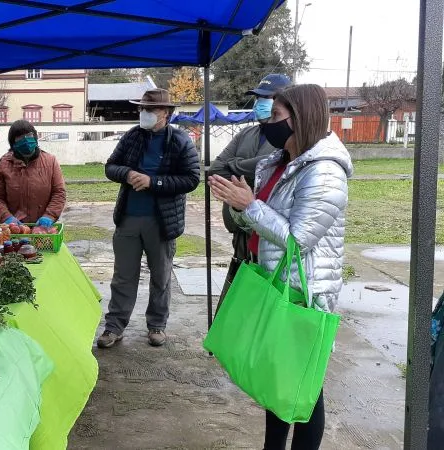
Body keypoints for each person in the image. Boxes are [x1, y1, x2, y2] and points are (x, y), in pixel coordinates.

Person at [209, 84, 352, 450]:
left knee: (303, 387)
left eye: (276, 116)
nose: (269, 124)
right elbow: (262, 217)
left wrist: (250, 206)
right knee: (278, 379)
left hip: (304, 291)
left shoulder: (324, 171)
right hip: (274, 279)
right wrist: (243, 209)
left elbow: (297, 239)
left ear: (300, 118)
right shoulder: (279, 162)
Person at [98, 88, 200, 348]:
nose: (144, 113)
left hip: (162, 221)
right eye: (141, 109)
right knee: (123, 276)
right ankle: (114, 327)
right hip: (129, 217)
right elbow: (111, 166)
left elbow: (191, 179)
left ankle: (156, 325)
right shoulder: (133, 136)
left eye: (150, 109)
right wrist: (127, 174)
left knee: (160, 276)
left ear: (165, 113)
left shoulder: (180, 140)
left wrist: (154, 182)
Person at [209, 74, 292, 314]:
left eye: (266, 98)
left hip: (269, 235)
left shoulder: (287, 139)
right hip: (241, 231)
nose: (259, 103)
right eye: (258, 98)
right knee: (239, 299)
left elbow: (273, 164)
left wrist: (235, 165)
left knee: (265, 303)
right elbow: (216, 169)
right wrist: (250, 167)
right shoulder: (247, 134)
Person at [0, 120, 66, 227]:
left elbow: (59, 193)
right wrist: (6, 217)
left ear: (35, 137)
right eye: (20, 137)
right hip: (15, 231)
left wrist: (49, 216)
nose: (26, 140)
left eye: (29, 135)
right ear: (13, 143)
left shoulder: (51, 161)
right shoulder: (4, 164)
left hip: (44, 230)